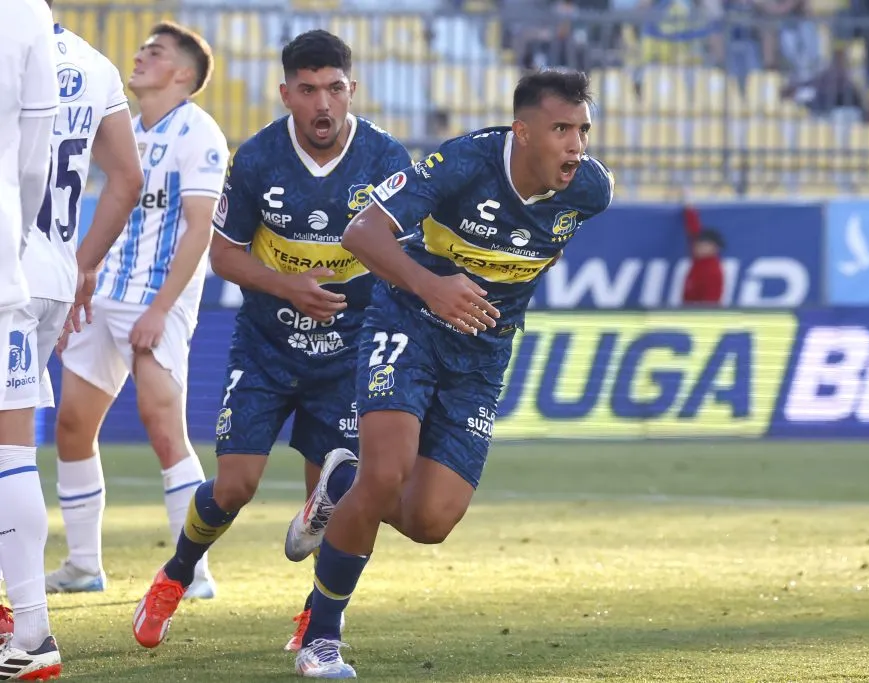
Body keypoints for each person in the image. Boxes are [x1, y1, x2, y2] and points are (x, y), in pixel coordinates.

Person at [292, 69, 614, 678]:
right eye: (562, 130)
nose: (576, 145)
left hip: (483, 355)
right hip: (408, 320)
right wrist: (431, 286)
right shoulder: (462, 163)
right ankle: (321, 636)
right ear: (522, 132)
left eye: (584, 131)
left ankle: (342, 487)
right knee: (387, 475)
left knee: (431, 521)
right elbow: (361, 233)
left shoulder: (590, 192)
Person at [130, 29, 416, 653]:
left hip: (348, 355)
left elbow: (408, 255)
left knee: (337, 498)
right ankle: (174, 576)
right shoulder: (257, 158)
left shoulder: (388, 160)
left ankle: (317, 620)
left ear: (352, 90)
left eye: (334, 90)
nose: (323, 104)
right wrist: (289, 286)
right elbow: (224, 253)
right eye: (308, 90)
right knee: (234, 486)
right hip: (267, 346)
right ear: (286, 93)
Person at [46, 21, 228, 601]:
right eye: (143, 48)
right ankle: (81, 565)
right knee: (73, 427)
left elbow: (200, 230)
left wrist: (161, 308)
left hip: (156, 301)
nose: (140, 56)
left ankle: (193, 571)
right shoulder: (123, 127)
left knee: (163, 428)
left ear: (183, 74)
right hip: (102, 297)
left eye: (155, 52)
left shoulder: (200, 134)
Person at [25, 5, 146, 604]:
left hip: (7, 265)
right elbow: (127, 177)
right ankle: (25, 613)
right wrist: (84, 263)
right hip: (54, 270)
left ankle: (23, 617)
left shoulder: (8, 52)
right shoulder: (95, 64)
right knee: (14, 448)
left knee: (8, 454)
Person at [0, 0, 60, 678]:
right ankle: (35, 632)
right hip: (3, 256)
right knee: (10, 451)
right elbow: (33, 161)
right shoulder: (27, 13)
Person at [681, 201, 724, 306]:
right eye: (698, 244)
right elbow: (694, 231)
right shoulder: (698, 260)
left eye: (704, 245)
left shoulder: (712, 271)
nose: (698, 247)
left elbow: (710, 303)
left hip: (700, 315)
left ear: (714, 248)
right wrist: (690, 210)